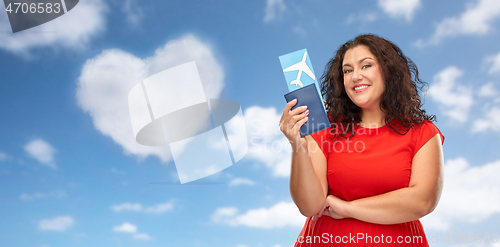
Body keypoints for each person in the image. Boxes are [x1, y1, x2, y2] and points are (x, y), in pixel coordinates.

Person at [279, 34, 444, 246]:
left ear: (389, 71)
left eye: (365, 66)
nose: (355, 76)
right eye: (347, 70)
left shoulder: (422, 132)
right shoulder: (324, 127)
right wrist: (298, 144)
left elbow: (423, 201)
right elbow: (310, 206)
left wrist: (347, 209)